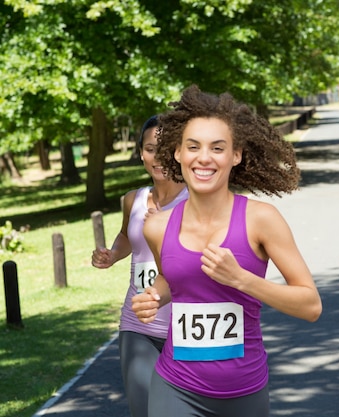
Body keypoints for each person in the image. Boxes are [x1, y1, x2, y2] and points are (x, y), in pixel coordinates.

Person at [131, 85, 322, 417]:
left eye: (217, 148)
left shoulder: (261, 220)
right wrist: (155, 296)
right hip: (175, 385)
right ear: (177, 153)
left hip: (244, 391)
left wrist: (242, 280)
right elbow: (171, 279)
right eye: (193, 147)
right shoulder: (157, 227)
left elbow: (310, 305)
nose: (204, 157)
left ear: (236, 155)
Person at [91, 115, 189, 417]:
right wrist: (112, 254)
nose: (156, 157)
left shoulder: (198, 200)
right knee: (145, 409)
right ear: (140, 153)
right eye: (149, 148)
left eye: (165, 148)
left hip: (186, 325)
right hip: (138, 324)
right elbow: (127, 236)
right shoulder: (133, 199)